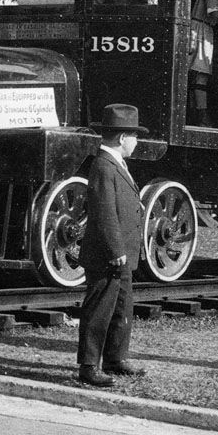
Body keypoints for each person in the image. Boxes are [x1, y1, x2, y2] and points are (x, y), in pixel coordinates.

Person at [76, 104, 149, 388]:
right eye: (134, 136)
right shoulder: (104, 166)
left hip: (122, 255)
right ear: (122, 138)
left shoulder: (115, 164)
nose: (136, 141)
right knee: (99, 309)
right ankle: (89, 366)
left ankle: (116, 358)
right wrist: (116, 250)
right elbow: (105, 213)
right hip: (109, 255)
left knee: (121, 308)